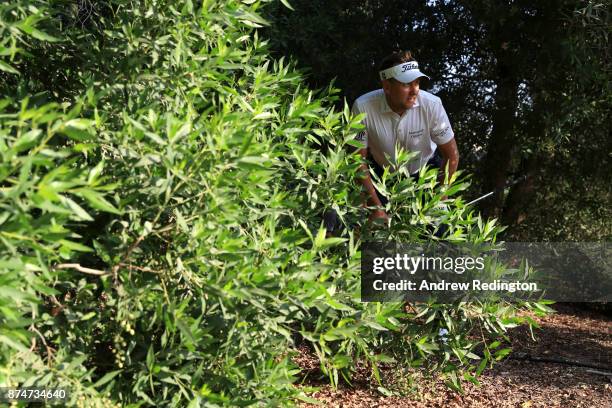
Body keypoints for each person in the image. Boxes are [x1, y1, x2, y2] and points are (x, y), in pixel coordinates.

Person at [353, 50, 459, 223]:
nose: (414, 90)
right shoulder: (363, 107)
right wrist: (375, 207)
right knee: (376, 238)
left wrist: (440, 195)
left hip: (426, 173)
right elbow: (357, 160)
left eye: (417, 83)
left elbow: (451, 155)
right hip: (382, 175)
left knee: (438, 236)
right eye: (406, 84)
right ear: (386, 86)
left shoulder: (432, 105)